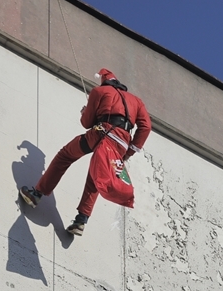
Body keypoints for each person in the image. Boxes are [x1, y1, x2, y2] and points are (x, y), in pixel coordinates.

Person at [19, 69, 152, 235]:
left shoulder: (99, 91)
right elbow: (146, 127)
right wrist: (129, 151)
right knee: (97, 175)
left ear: (104, 81)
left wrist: (84, 113)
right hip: (121, 143)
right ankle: (81, 220)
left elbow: (87, 122)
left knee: (65, 155)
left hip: (101, 134)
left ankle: (36, 194)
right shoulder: (137, 101)